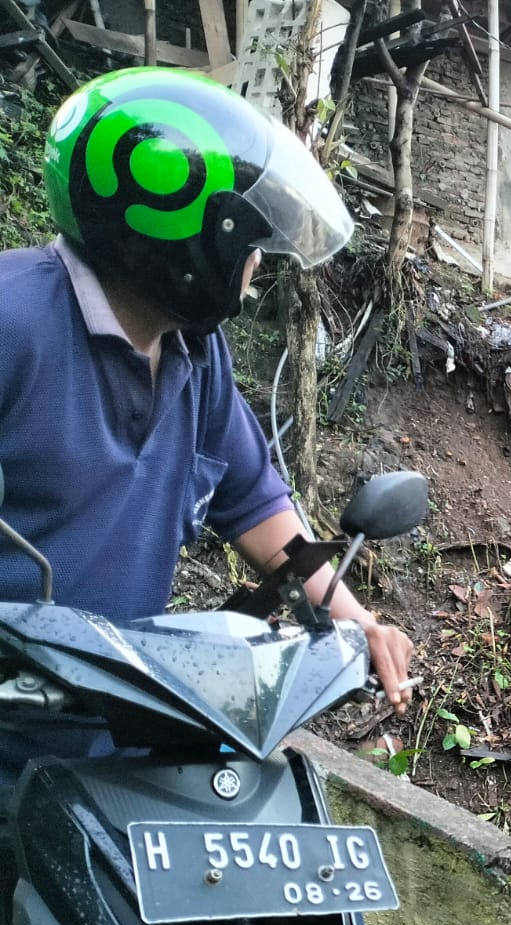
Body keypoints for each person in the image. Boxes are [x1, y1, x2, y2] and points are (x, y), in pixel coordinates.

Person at [0, 66, 414, 718]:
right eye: (247, 239)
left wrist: (356, 623)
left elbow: (256, 508)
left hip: (110, 731)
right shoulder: (14, 322)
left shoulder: (195, 351)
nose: (257, 264)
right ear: (180, 235)